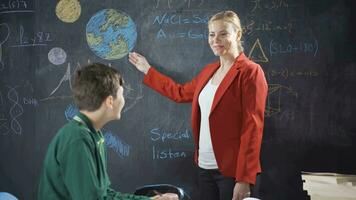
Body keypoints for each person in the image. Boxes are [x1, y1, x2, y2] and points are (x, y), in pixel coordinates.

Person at [129, 10, 268, 200]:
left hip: (234, 172)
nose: (215, 39)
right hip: (204, 168)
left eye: (223, 33)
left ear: (238, 34)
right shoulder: (209, 71)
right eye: (211, 34)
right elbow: (179, 93)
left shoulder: (250, 72)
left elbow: (253, 128)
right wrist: (147, 70)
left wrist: (244, 179)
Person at [37, 63, 178, 200]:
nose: (123, 101)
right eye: (122, 95)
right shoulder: (77, 140)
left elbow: (104, 195)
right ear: (110, 101)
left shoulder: (94, 134)